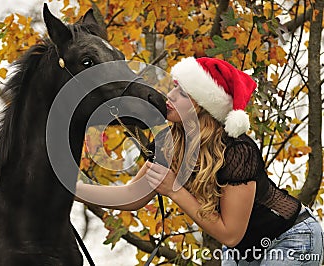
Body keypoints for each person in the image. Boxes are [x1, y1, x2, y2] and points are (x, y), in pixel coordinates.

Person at [75, 57, 324, 265]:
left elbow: (230, 234)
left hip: (291, 237)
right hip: (243, 250)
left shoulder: (237, 151)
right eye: (174, 87)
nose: (169, 95)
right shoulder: (168, 143)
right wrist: (65, 188)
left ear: (204, 107)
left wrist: (174, 189)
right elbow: (131, 196)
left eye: (182, 92)